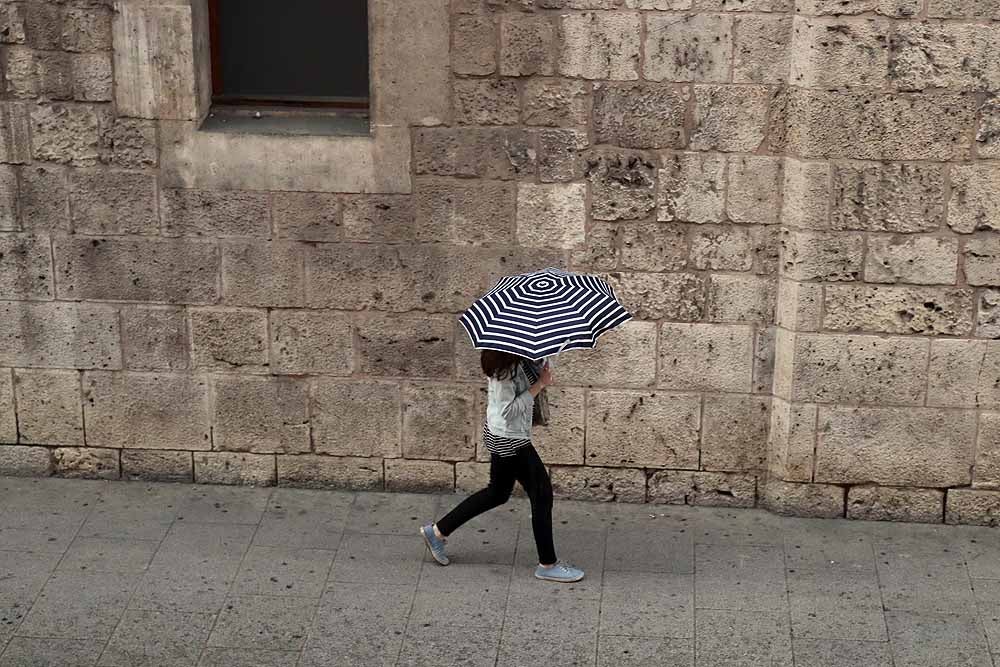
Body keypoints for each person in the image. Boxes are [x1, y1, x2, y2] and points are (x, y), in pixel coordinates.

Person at [420, 349, 584, 583]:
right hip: (510, 438)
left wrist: (543, 367)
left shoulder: (514, 357)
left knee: (497, 492)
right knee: (542, 494)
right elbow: (508, 411)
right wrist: (540, 384)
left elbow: (526, 381)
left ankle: (437, 532)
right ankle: (547, 564)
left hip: (502, 434)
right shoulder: (505, 368)